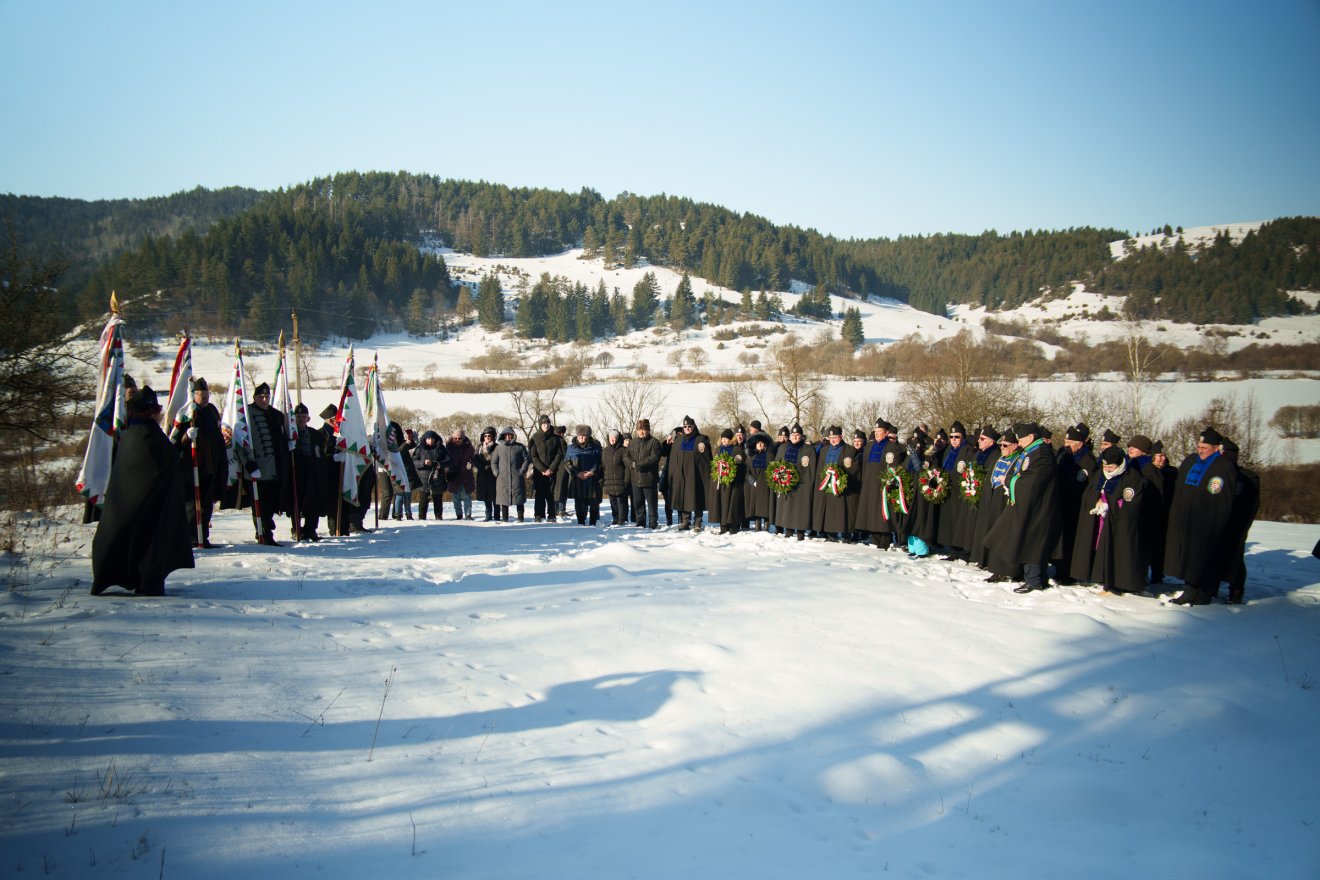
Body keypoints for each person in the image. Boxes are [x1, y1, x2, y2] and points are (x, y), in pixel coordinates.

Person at [91, 386, 194, 596]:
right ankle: (148, 582)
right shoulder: (147, 434)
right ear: (150, 412)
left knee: (136, 539)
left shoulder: (133, 433)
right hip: (150, 504)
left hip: (140, 501)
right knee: (149, 542)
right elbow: (165, 463)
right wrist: (183, 445)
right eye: (156, 410)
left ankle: (144, 579)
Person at [1164, 427, 1238, 606]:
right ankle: (1190, 589)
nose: (1200, 450)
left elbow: (1223, 498)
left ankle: (1204, 592)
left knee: (1205, 559)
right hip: (1188, 520)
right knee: (1189, 559)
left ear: (1216, 448)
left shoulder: (1223, 467)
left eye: (1205, 447)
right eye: (1199, 446)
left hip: (1208, 522)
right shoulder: (1191, 462)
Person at [986, 422, 1060, 594]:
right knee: (1026, 540)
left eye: (1020, 439)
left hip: (1038, 506)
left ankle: (1034, 580)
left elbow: (1032, 481)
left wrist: (1010, 480)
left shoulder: (1042, 454)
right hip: (1029, 504)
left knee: (1033, 542)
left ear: (1031, 437)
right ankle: (1031, 577)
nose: (1018, 443)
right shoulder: (1031, 452)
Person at [1071, 445, 1148, 594]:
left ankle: (1114, 583)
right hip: (1100, 520)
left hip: (1116, 523)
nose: (1108, 469)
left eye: (1111, 466)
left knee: (1114, 550)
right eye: (1105, 465)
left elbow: (1129, 502)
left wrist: (1109, 505)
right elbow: (1091, 492)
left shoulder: (1131, 477)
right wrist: (1097, 500)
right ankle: (1100, 576)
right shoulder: (1101, 474)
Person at [176, 377, 228, 548]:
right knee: (192, 506)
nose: (204, 398)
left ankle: (203, 536)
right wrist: (186, 437)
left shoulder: (212, 411)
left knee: (207, 505)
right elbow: (174, 441)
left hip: (211, 466)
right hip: (192, 468)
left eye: (206, 394)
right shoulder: (187, 414)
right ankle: (192, 537)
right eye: (200, 394)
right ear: (194, 395)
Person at [236, 382, 288, 546]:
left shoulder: (277, 415)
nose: (264, 399)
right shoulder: (246, 414)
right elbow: (240, 441)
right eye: (261, 396)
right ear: (255, 397)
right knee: (260, 504)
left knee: (272, 503)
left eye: (267, 396)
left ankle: (267, 531)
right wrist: (248, 463)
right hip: (256, 468)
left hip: (274, 468)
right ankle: (263, 533)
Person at [1052, 424, 1097, 584]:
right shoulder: (1063, 455)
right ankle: (1059, 568)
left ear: (1080, 444)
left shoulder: (1088, 461)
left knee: (1072, 540)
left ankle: (1068, 572)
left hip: (1077, 506)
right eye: (1065, 441)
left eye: (1070, 442)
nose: (1066, 445)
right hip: (1061, 502)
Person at [1220, 438, 1259, 605]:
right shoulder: (1216, 474)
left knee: (1235, 559)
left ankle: (1236, 590)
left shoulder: (1247, 477)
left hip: (1236, 524)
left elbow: (1251, 504)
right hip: (1218, 524)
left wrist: (1244, 526)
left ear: (1234, 456)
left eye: (1224, 454)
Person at [812, 426, 858, 542]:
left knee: (842, 511)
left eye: (835, 437)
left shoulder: (850, 451)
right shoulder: (824, 450)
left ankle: (846, 534)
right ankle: (830, 533)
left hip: (841, 487)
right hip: (826, 486)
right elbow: (819, 469)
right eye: (830, 437)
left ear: (841, 437)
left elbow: (854, 470)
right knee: (829, 511)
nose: (832, 440)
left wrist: (840, 479)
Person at [667, 416, 712, 532]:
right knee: (684, 497)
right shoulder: (678, 440)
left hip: (696, 475)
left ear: (694, 426)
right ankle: (685, 521)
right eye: (685, 426)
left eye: (689, 426)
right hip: (681, 476)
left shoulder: (701, 440)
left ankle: (698, 522)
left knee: (697, 497)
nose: (687, 428)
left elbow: (706, 459)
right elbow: (672, 458)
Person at [773, 424, 816, 540]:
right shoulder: (783, 448)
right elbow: (776, 465)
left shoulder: (809, 450)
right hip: (786, 485)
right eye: (793, 435)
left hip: (802, 485)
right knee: (787, 509)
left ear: (802, 436)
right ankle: (789, 530)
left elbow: (811, 470)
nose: (795, 437)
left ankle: (801, 531)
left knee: (800, 509)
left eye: (797, 435)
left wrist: (809, 486)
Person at [624, 418, 661, 528]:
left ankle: (653, 522)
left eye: (644, 429)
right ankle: (640, 521)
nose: (642, 432)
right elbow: (625, 456)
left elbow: (654, 458)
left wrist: (638, 464)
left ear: (648, 430)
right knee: (638, 503)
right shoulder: (632, 443)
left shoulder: (654, 442)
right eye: (640, 429)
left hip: (649, 478)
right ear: (636, 430)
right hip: (635, 478)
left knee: (651, 503)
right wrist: (632, 464)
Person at [709, 428, 747, 535]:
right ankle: (723, 525)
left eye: (726, 439)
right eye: (723, 439)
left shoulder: (737, 449)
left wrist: (730, 469)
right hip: (721, 482)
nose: (724, 441)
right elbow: (714, 463)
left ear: (731, 439)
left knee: (732, 503)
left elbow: (740, 463)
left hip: (733, 482)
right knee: (721, 503)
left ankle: (733, 525)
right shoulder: (718, 449)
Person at [564, 425, 603, 525]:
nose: (581, 437)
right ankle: (580, 521)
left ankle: (593, 522)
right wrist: (577, 473)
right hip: (577, 479)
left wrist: (592, 472)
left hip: (592, 479)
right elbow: (567, 463)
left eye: (584, 435)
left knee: (594, 502)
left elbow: (600, 462)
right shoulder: (571, 448)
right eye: (579, 435)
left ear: (588, 436)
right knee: (579, 503)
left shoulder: (595, 447)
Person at [490, 426, 530, 522]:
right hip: (502, 478)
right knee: (504, 500)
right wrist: (496, 472)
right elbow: (493, 462)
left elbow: (527, 459)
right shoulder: (498, 448)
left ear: (513, 435)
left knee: (519, 499)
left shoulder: (520, 447)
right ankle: (505, 519)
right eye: (506, 435)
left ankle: (520, 518)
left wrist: (522, 471)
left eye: (510, 435)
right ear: (503, 436)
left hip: (517, 477)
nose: (508, 437)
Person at [529, 415, 565, 522]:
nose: (546, 425)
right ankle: (538, 515)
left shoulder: (556, 438)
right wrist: (542, 470)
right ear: (540, 425)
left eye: (548, 423)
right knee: (539, 494)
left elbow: (559, 455)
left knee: (551, 494)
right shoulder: (535, 437)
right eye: (544, 424)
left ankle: (552, 515)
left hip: (552, 471)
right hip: (539, 471)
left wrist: (551, 469)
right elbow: (533, 456)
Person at [742, 426, 775, 532]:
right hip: (755, 485)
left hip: (766, 486)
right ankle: (757, 526)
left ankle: (766, 526)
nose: (760, 445)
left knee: (766, 506)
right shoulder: (751, 457)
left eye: (762, 443)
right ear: (755, 445)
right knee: (756, 506)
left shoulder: (770, 456)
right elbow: (747, 471)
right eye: (758, 443)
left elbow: (773, 469)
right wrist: (752, 481)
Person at [412, 430, 450, 520]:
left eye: (432, 439)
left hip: (438, 477)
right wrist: (423, 462)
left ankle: (438, 517)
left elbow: (449, 460)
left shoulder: (441, 448)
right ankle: (421, 517)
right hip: (423, 478)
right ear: (425, 439)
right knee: (423, 500)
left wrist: (440, 464)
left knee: (438, 499)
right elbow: (413, 462)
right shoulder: (419, 448)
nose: (430, 441)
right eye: (428, 439)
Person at [601, 429, 630, 527]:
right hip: (608, 481)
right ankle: (615, 518)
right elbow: (602, 467)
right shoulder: (605, 451)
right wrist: (602, 481)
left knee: (621, 502)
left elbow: (627, 467)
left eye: (614, 438)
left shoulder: (623, 450)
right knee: (612, 502)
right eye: (610, 438)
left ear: (618, 439)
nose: (612, 439)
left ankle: (622, 520)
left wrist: (626, 480)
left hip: (620, 480)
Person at [446, 428, 476, 520]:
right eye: (455, 438)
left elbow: (474, 459)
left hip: (466, 476)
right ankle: (458, 515)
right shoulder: (448, 447)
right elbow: (445, 460)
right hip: (454, 475)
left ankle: (468, 515)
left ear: (463, 438)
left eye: (459, 438)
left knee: (467, 497)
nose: (457, 440)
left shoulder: (469, 447)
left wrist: (471, 464)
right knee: (456, 497)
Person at [473, 427, 499, 521]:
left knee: (496, 496)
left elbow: (499, 459)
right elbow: (475, 459)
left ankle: (497, 515)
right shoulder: (479, 447)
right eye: (485, 436)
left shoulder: (497, 447)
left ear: (493, 437)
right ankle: (488, 514)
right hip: (482, 474)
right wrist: (481, 467)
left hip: (494, 474)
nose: (487, 437)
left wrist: (491, 466)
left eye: (489, 435)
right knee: (486, 496)